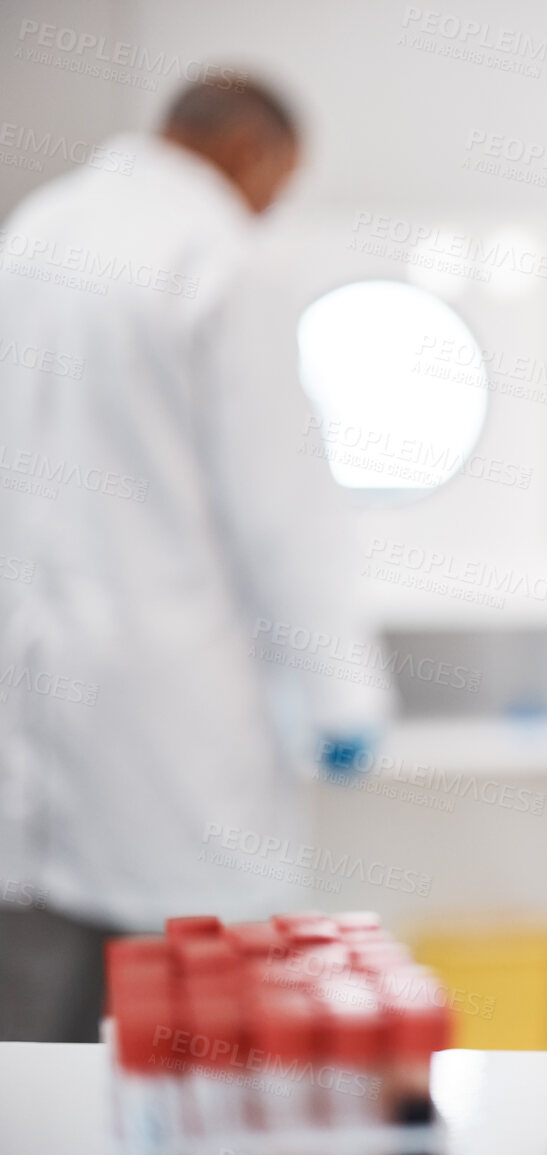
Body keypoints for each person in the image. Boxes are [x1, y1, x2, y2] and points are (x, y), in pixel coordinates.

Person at [0, 77, 388, 1041]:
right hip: (171, 691)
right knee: (191, 1005)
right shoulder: (221, 259)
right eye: (280, 184)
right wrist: (342, 692)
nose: (271, 207)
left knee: (34, 1026)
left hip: (34, 678)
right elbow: (282, 507)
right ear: (252, 153)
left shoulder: (37, 230)